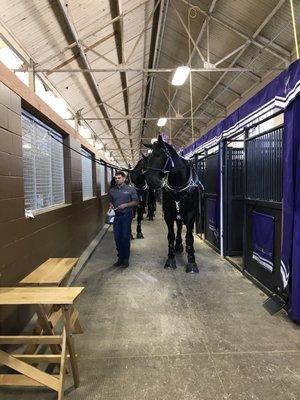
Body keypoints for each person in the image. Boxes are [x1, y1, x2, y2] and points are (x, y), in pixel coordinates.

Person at [109, 171, 139, 268]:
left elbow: (136, 202)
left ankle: (126, 259)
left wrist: (125, 205)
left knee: (125, 237)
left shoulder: (130, 189)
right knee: (117, 237)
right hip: (116, 216)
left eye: (119, 178)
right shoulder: (112, 190)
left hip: (126, 215)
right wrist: (111, 206)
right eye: (116, 178)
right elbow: (111, 202)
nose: (117, 180)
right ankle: (120, 258)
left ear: (124, 178)